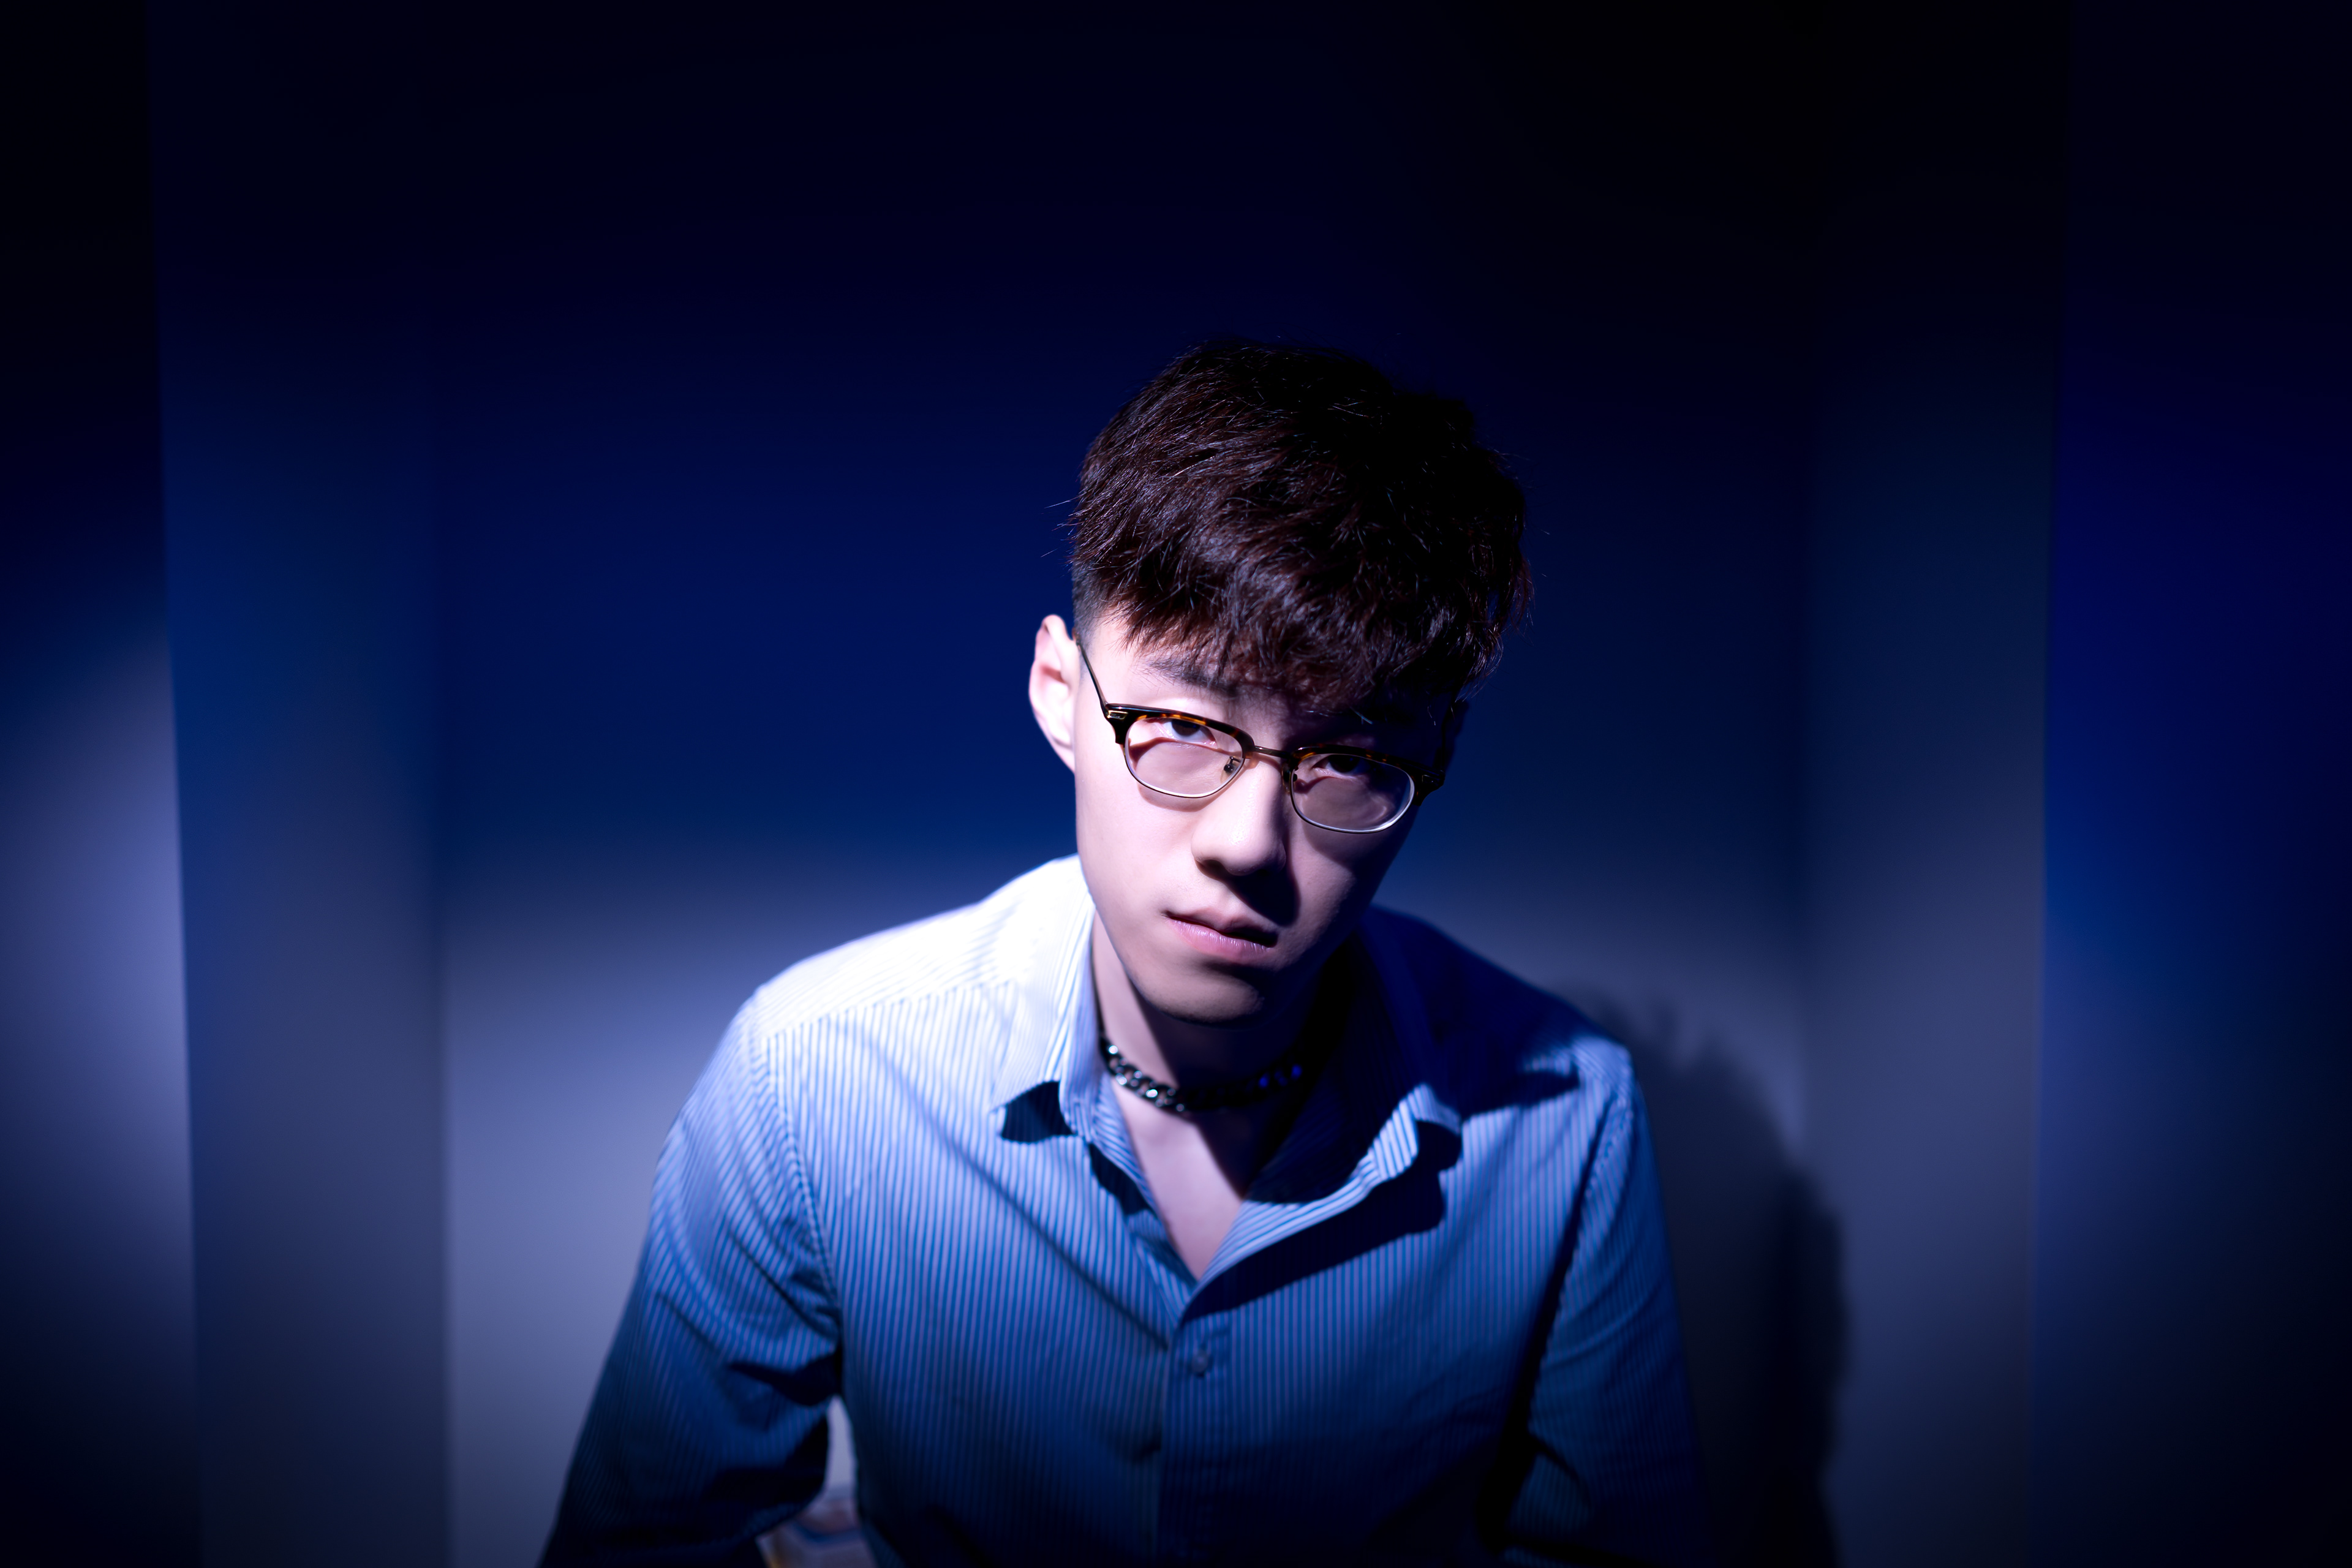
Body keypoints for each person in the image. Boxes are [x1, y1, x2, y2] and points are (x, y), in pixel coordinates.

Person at [541, 342, 1713, 1567]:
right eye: (1180, 727)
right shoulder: (813, 1075)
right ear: (1060, 690)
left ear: (1438, 759)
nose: (1247, 843)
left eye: (1350, 760)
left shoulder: (1567, 1116)